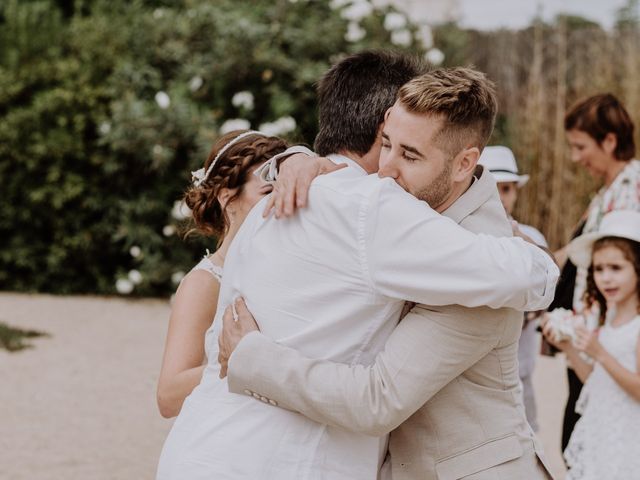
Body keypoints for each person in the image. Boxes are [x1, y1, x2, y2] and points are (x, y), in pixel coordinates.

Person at [156, 53, 558, 480]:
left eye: (409, 154)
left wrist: (252, 357)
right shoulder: (351, 200)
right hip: (272, 461)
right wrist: (295, 158)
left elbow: (377, 400)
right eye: (387, 145)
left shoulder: (276, 204)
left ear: (464, 163)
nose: (387, 170)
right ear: (379, 126)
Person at [155, 130, 286, 418]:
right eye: (267, 191)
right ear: (228, 200)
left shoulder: (282, 268)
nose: (280, 200)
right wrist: (236, 361)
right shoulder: (204, 283)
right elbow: (168, 395)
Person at [547, 93, 640, 451]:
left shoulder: (631, 191)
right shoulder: (607, 193)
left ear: (610, 141)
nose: (575, 157)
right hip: (589, 334)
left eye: (580, 146)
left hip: (608, 340)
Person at [543, 210, 640, 479]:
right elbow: (597, 382)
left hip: (629, 436)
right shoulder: (610, 318)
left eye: (616, 268)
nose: (606, 278)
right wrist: (570, 350)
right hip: (603, 430)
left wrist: (600, 353)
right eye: (599, 269)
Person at [478, 145, 548, 431]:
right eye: (495, 188)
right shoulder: (467, 237)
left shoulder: (532, 238)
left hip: (521, 368)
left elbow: (544, 294)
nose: (502, 198)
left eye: (507, 189)